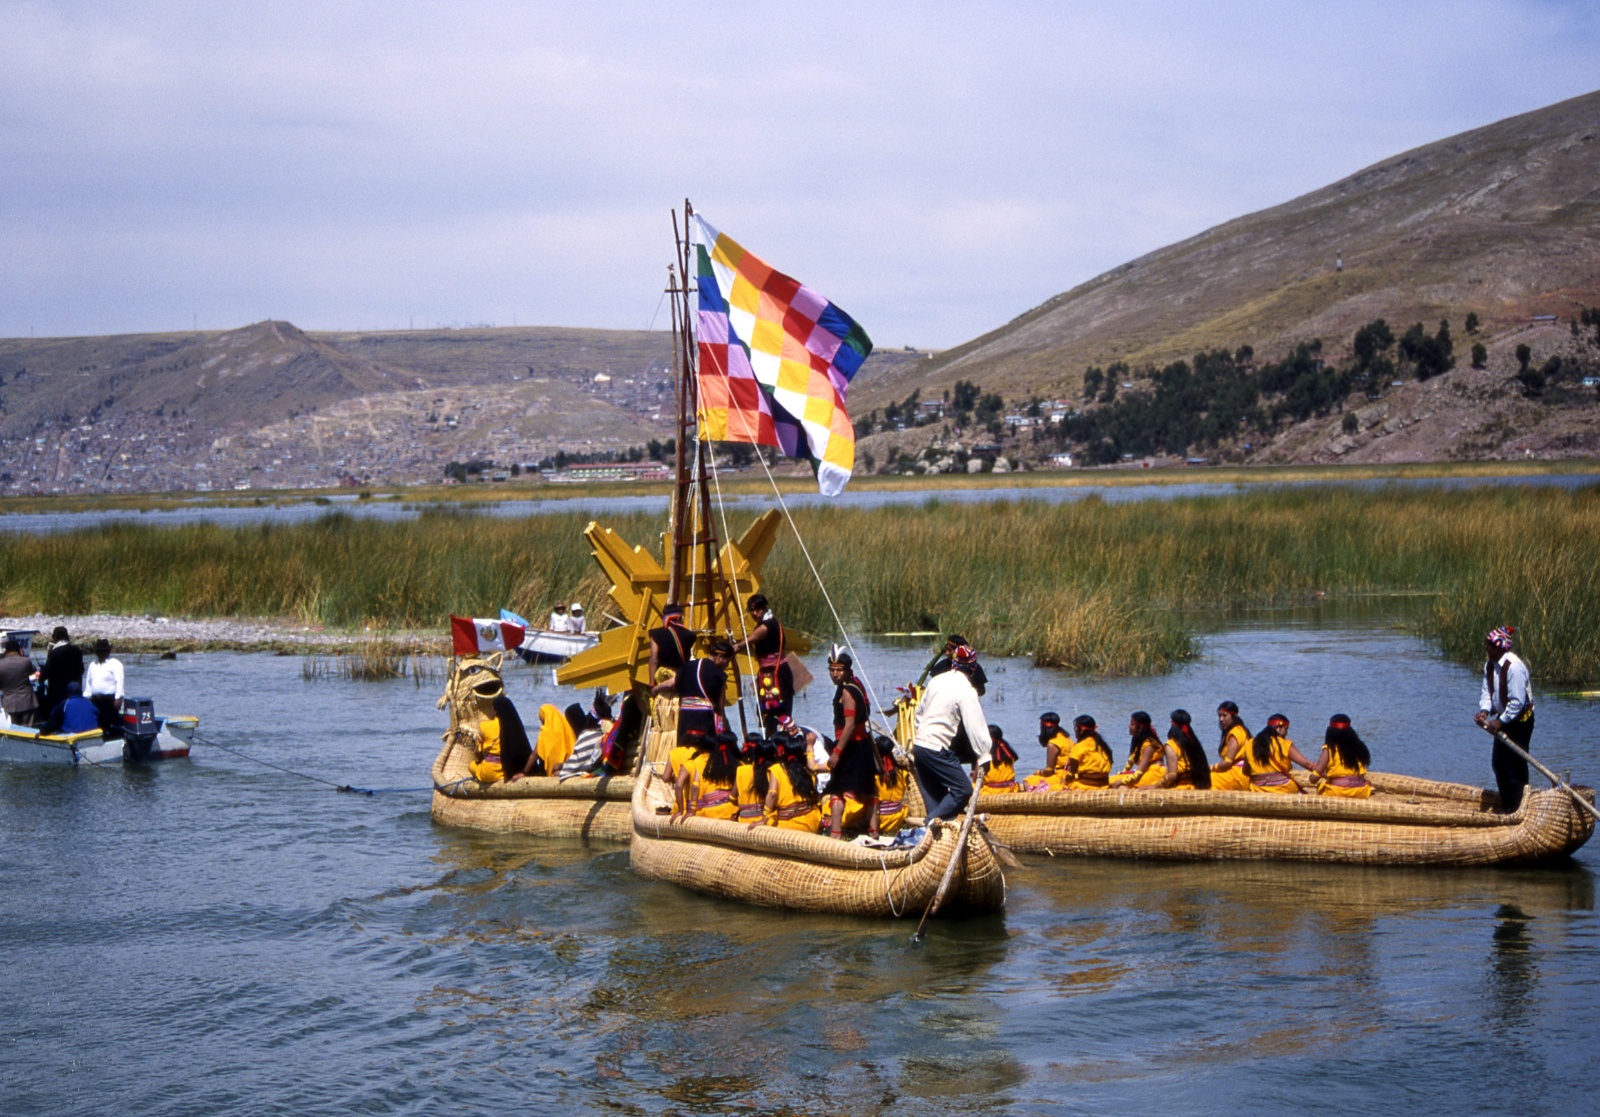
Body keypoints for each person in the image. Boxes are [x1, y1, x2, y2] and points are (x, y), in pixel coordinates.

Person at [911, 644, 993, 821]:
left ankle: (935, 836)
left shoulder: (936, 681)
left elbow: (919, 713)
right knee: (963, 789)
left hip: (920, 745)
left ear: (954, 664)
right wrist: (984, 754)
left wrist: (920, 733)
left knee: (939, 801)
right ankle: (928, 824)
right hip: (936, 748)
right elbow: (975, 725)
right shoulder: (966, 691)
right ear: (972, 669)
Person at [1476, 625, 1536, 813]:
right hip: (1503, 720)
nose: (1487, 648)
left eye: (1491, 645)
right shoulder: (1490, 665)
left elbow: (1517, 703)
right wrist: (1485, 711)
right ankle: (1509, 805)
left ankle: (1519, 808)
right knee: (1499, 764)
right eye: (1487, 644)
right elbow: (1488, 693)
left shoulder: (1514, 667)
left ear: (1501, 647)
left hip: (1520, 722)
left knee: (1515, 765)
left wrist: (1500, 722)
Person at [826, 649, 879, 838]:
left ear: (848, 670)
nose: (835, 674)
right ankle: (874, 832)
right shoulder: (856, 684)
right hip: (861, 746)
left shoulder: (847, 691)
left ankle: (836, 834)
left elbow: (849, 725)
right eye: (832, 670)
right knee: (866, 790)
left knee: (836, 790)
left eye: (839, 670)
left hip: (850, 747)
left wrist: (837, 751)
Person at [731, 593, 793, 734]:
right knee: (768, 714)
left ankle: (784, 743)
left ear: (764, 608)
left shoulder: (767, 626)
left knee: (781, 712)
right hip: (768, 673)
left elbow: (745, 643)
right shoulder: (766, 623)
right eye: (751, 610)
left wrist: (733, 647)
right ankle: (771, 742)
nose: (754, 613)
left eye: (757, 610)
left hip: (777, 673)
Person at [762, 730, 823, 832]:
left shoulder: (777, 768)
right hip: (812, 822)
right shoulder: (807, 769)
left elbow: (772, 794)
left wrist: (766, 815)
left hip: (789, 825)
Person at [1137, 709, 1213, 790]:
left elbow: (1172, 775)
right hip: (1197, 786)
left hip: (1180, 788)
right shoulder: (1194, 742)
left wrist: (1154, 786)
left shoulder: (1171, 745)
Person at [1243, 713, 1318, 793]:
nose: (1286, 733)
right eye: (1286, 729)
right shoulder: (1284, 744)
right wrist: (1321, 772)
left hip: (1258, 789)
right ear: (1278, 728)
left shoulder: (1250, 744)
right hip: (1283, 789)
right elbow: (1306, 764)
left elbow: (1245, 771)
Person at [678, 730, 740, 822]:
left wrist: (692, 810)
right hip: (733, 811)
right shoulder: (739, 765)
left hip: (711, 813)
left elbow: (695, 786)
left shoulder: (707, 763)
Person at [1314, 714, 1373, 798]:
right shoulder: (1359, 747)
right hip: (1361, 792)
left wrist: (1314, 773)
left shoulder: (1329, 750)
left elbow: (1313, 779)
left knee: (1320, 786)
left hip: (1337, 792)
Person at [83, 639, 125, 739]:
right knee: (96, 724)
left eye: (103, 651)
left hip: (109, 700)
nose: (100, 653)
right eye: (98, 651)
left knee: (111, 724)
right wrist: (86, 697)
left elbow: (119, 681)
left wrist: (118, 698)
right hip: (94, 700)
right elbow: (88, 682)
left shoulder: (115, 664)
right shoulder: (92, 664)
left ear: (108, 651)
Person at [40, 626, 84, 719]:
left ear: (55, 638)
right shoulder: (77, 650)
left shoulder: (54, 653)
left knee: (56, 715)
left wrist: (41, 677)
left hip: (57, 692)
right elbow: (81, 670)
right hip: (74, 691)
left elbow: (47, 671)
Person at [1110, 711, 1163, 787]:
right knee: (1111, 780)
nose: (1129, 726)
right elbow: (1130, 762)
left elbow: (1138, 773)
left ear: (1140, 727)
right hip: (1145, 772)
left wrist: (1121, 781)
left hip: (1154, 774)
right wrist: (1122, 774)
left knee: (1119, 784)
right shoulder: (1139, 741)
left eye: (1132, 724)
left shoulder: (1149, 745)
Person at [647, 603, 696, 685]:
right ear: (679, 617)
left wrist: (652, 683)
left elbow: (654, 660)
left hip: (662, 678)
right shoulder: (691, 635)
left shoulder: (656, 634)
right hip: (680, 678)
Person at [1210, 701, 1253, 792]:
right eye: (1219, 716)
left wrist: (1210, 768)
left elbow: (1227, 763)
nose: (1221, 719)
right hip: (1242, 774)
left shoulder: (1235, 733)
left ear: (1233, 717)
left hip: (1238, 775)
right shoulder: (1240, 730)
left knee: (1206, 779)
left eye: (1225, 716)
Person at [1023, 712, 1071, 790]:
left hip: (1062, 776)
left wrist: (1038, 772)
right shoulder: (1066, 737)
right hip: (1070, 774)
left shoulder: (1053, 743)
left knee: (1028, 780)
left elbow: (1049, 771)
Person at [736, 736, 776, 825]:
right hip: (769, 822)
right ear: (774, 755)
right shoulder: (775, 771)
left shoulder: (741, 770)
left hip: (743, 821)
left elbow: (732, 797)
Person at [0, 637, 39, 728]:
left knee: (13, 727)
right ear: (19, 649)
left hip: (9, 702)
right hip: (27, 700)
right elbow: (33, 670)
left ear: (6, 651)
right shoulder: (25, 661)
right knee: (29, 727)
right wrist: (22, 656)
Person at [977, 725, 1020, 793]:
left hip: (989, 792)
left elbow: (976, 778)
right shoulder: (1008, 754)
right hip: (1010, 789)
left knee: (973, 785)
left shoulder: (984, 757)